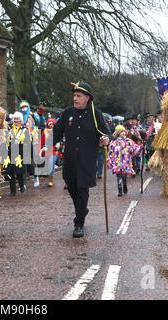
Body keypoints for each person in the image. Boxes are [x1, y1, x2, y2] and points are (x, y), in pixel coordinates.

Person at [53, 81, 110, 238]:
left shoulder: (95, 113)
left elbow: (105, 132)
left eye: (78, 96)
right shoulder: (68, 113)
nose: (75, 99)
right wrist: (45, 146)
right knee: (71, 186)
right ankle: (82, 209)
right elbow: (57, 132)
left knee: (82, 189)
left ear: (87, 98)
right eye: (74, 96)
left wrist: (106, 139)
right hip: (70, 160)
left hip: (87, 160)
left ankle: (79, 223)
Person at [107, 125, 142, 196]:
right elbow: (111, 151)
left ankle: (124, 184)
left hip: (126, 161)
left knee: (124, 175)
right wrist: (110, 160)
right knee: (118, 175)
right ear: (118, 133)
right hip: (117, 161)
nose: (123, 133)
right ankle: (120, 189)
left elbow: (134, 148)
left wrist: (140, 147)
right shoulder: (114, 142)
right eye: (121, 132)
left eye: (123, 131)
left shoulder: (128, 141)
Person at [4, 112, 29, 195]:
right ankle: (12, 191)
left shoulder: (24, 130)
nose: (16, 120)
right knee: (10, 172)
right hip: (11, 153)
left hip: (20, 153)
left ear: (21, 120)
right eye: (15, 119)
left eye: (18, 119)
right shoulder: (10, 129)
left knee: (19, 173)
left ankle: (22, 186)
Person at [39, 118, 57, 187]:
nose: (51, 125)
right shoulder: (45, 131)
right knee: (49, 166)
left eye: (53, 124)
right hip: (46, 151)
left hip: (54, 151)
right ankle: (49, 178)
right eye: (50, 124)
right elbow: (41, 141)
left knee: (51, 165)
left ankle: (50, 180)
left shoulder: (56, 131)